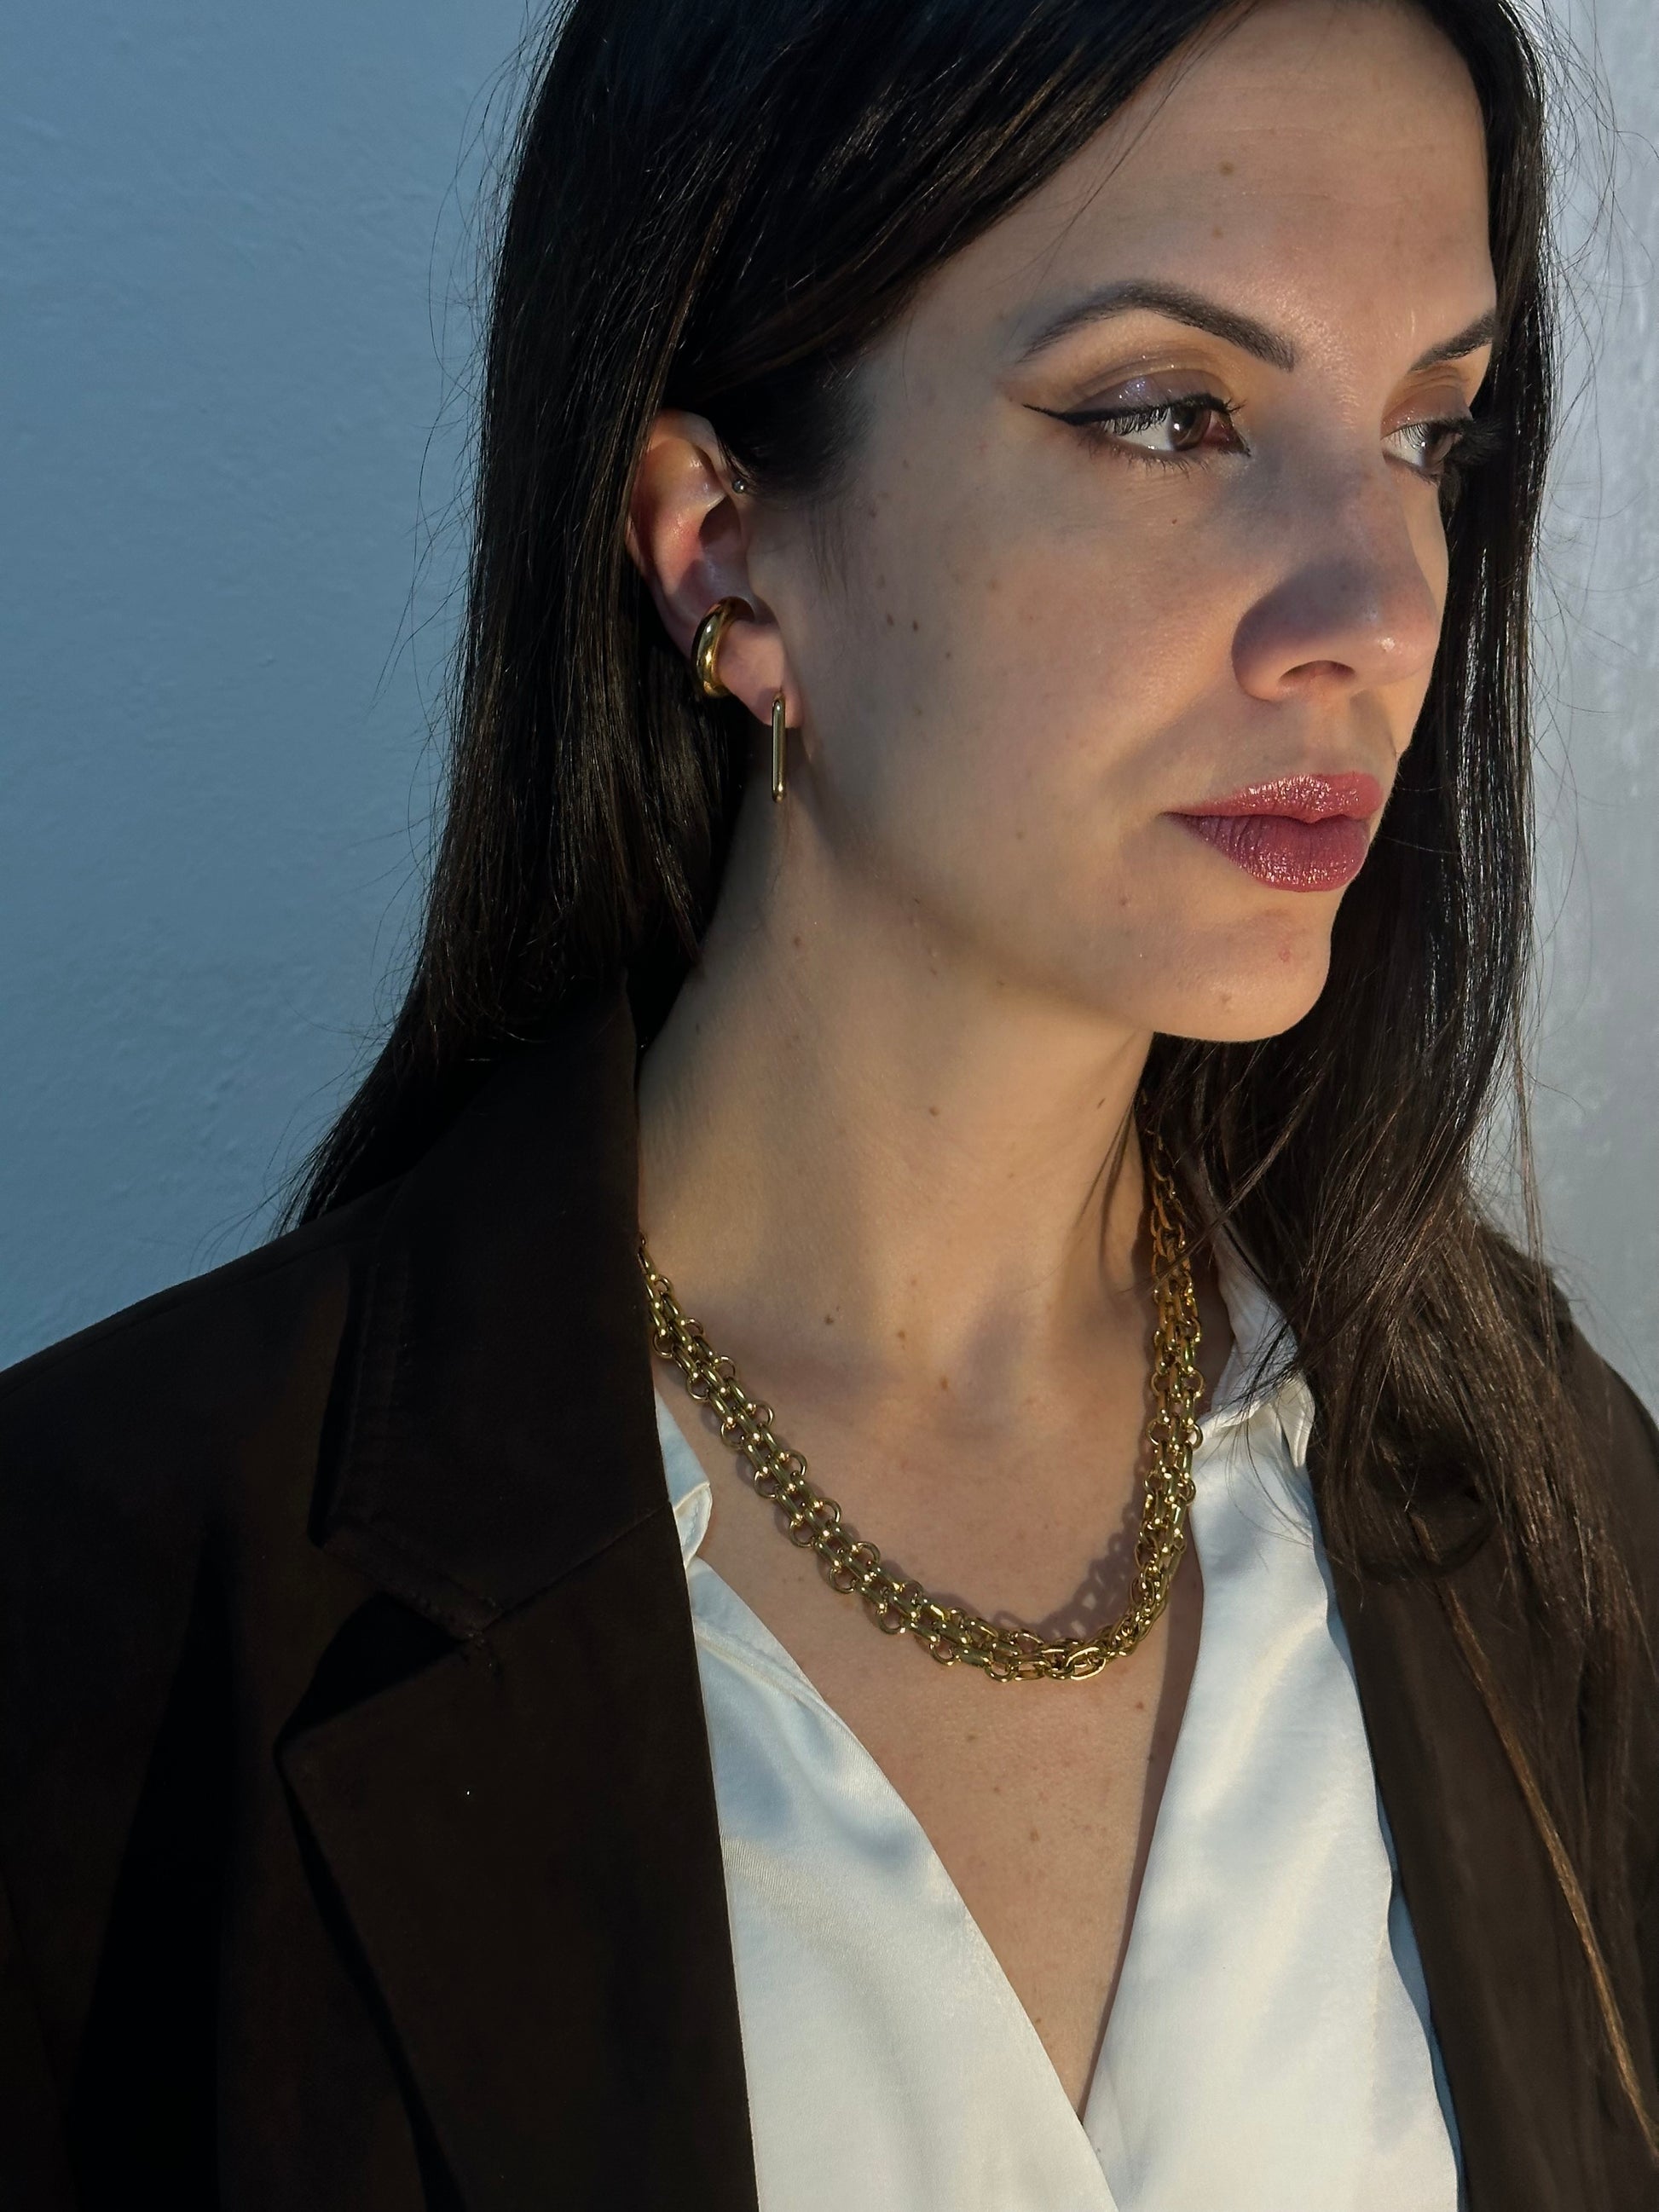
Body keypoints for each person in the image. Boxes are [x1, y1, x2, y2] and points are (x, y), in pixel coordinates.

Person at [2, 0, 1656, 2203]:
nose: (1373, 610)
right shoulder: (108, 1607)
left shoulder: (1541, 1493)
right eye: (1169, 415)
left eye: (1427, 434)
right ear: (721, 546)